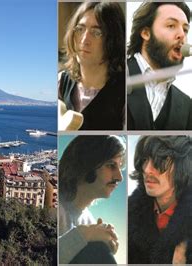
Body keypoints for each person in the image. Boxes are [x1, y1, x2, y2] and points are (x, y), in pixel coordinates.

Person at [58, 2, 125, 130]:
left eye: (96, 32)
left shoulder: (125, 94)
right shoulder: (61, 82)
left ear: (113, 40)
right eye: (80, 29)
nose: (84, 40)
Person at [59, 135, 125, 264]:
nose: (119, 177)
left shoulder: (89, 220)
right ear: (86, 164)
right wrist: (84, 234)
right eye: (111, 165)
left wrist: (106, 248)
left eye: (119, 167)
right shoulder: (57, 208)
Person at [127, 2, 192, 130]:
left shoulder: (187, 105)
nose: (182, 35)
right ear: (146, 33)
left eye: (185, 29)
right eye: (171, 26)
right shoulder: (116, 77)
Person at [129, 136, 192, 264]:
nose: (147, 170)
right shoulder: (128, 214)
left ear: (182, 166)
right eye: (145, 160)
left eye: (160, 160)